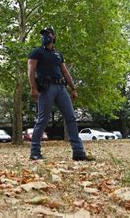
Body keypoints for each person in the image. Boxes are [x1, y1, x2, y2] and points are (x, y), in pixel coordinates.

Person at [27, 27, 90, 161]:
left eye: (47, 34)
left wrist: (73, 88)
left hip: (61, 88)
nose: (45, 37)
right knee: (42, 120)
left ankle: (78, 152)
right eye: (43, 35)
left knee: (71, 118)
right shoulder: (36, 52)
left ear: (54, 37)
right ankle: (35, 152)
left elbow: (65, 71)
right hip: (46, 88)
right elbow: (31, 70)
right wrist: (33, 87)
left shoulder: (58, 54)